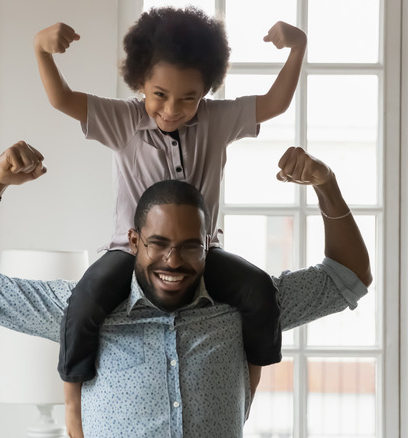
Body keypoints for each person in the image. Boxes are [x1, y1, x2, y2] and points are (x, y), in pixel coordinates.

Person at [0, 141, 372, 438]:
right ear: (133, 242)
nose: (173, 261)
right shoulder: (82, 308)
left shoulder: (244, 306)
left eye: (189, 247)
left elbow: (348, 277)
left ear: (210, 244)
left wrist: (326, 184)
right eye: (158, 244)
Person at [32, 6, 308, 421]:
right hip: (131, 253)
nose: (172, 109)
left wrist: (298, 48)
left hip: (201, 252)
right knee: (84, 301)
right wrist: (41, 51)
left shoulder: (217, 121)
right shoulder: (122, 120)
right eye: (159, 94)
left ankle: (245, 395)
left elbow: (274, 103)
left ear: (207, 91)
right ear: (141, 81)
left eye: (189, 98)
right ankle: (72, 404)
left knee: (259, 292)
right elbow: (61, 99)